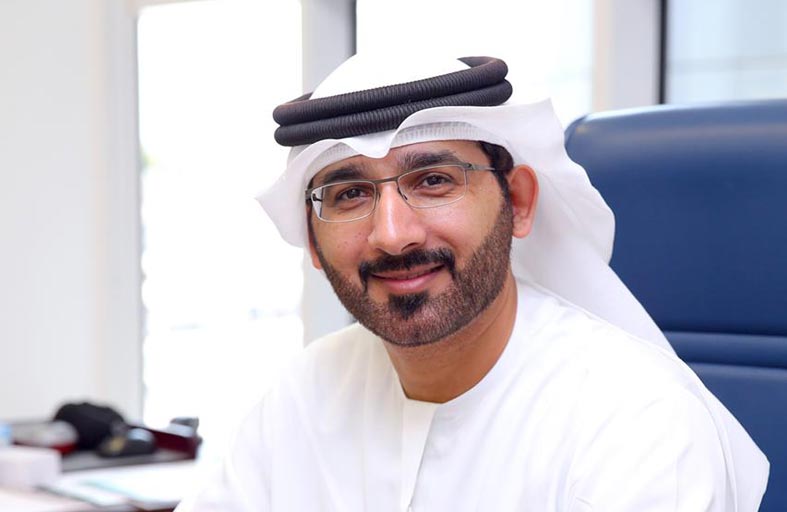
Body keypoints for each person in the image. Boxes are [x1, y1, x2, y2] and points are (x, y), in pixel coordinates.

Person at [177, 54, 769, 511]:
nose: (393, 235)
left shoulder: (638, 424)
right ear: (311, 240)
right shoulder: (302, 394)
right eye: (349, 194)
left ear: (519, 202)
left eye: (434, 180)